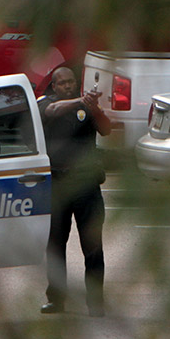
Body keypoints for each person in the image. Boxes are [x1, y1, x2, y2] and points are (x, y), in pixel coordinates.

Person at [38, 67, 111, 317]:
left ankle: (96, 303)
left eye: (71, 82)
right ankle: (56, 299)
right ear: (54, 86)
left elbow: (107, 130)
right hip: (58, 185)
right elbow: (52, 110)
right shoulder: (46, 104)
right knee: (56, 246)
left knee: (92, 246)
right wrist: (81, 100)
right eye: (63, 83)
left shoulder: (86, 107)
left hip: (86, 186)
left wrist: (95, 108)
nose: (68, 86)